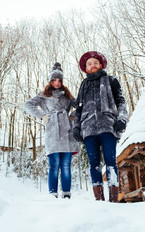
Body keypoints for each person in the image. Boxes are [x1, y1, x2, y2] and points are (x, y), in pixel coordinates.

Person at [73, 51, 128, 202]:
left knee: (110, 161)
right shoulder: (83, 85)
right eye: (89, 64)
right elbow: (78, 108)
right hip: (88, 128)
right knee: (94, 164)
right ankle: (99, 201)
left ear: (101, 64)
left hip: (107, 126)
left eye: (95, 63)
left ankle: (113, 199)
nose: (93, 66)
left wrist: (122, 118)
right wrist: (76, 127)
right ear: (86, 67)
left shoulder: (111, 80)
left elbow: (121, 101)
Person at [24, 62, 79, 199]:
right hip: (52, 131)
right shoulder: (43, 95)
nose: (57, 82)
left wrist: (72, 115)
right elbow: (28, 104)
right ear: (50, 80)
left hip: (67, 131)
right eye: (54, 79)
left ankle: (66, 194)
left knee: (66, 165)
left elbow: (80, 107)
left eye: (59, 80)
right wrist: (42, 116)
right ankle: (52, 195)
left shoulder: (67, 95)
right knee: (54, 164)